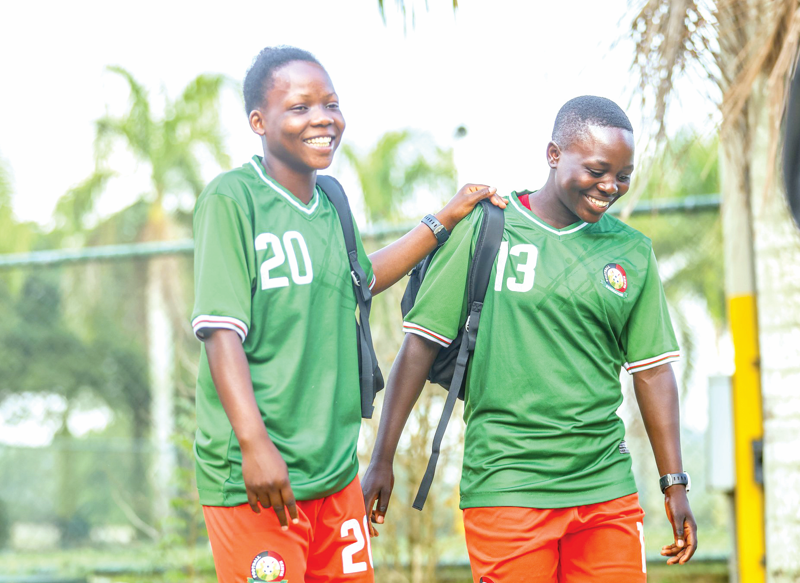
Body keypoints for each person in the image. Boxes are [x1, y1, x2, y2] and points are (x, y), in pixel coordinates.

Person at [191, 45, 505, 583]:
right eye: (300, 107)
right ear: (258, 121)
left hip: (333, 472)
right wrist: (254, 445)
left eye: (330, 104)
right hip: (260, 478)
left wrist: (444, 219)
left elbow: (362, 279)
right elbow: (221, 334)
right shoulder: (232, 198)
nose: (322, 119)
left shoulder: (332, 198)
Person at [362, 96, 698, 582]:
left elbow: (652, 372)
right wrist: (381, 459)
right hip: (508, 484)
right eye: (599, 170)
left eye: (623, 176)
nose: (611, 187)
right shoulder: (486, 227)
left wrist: (674, 484)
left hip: (604, 487)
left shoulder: (631, 252)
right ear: (554, 154)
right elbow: (420, 346)